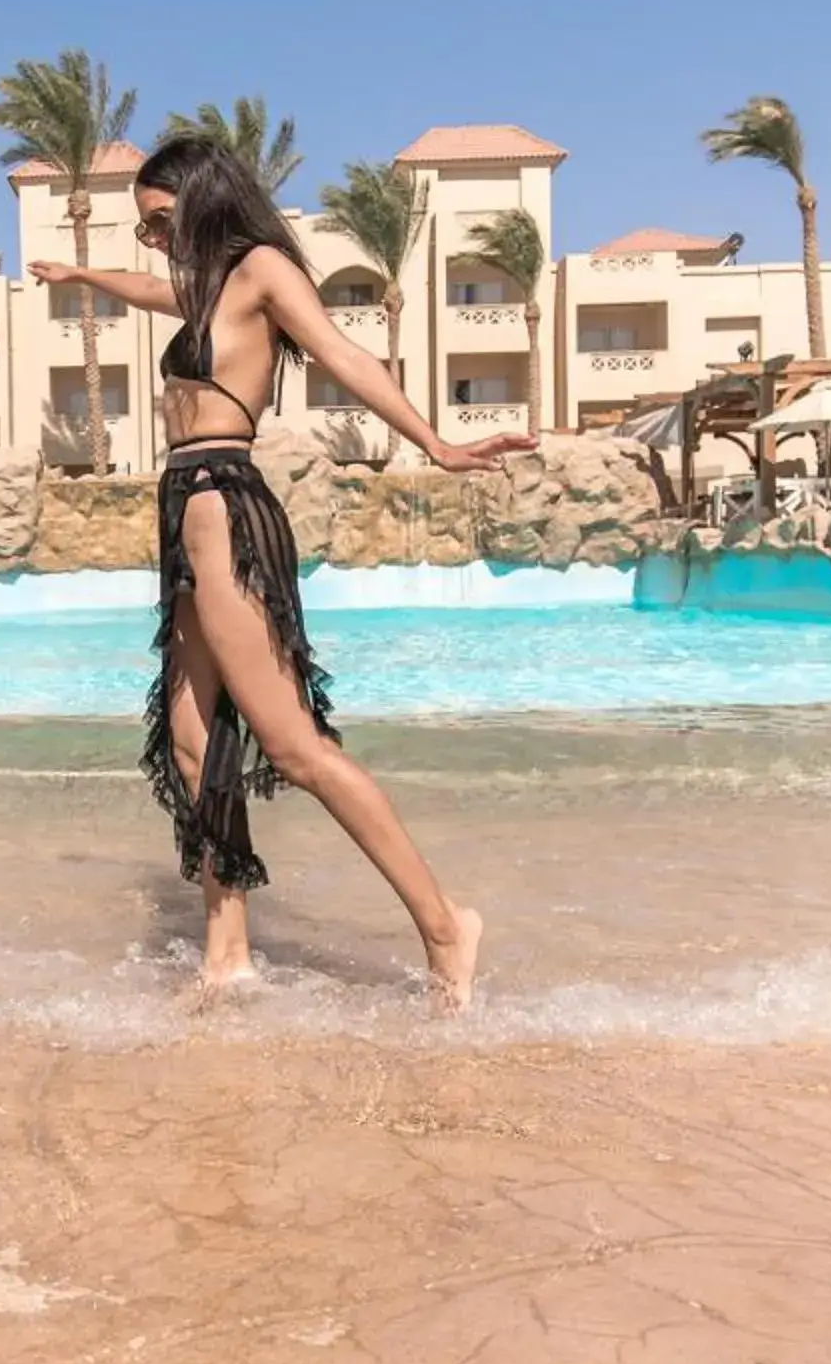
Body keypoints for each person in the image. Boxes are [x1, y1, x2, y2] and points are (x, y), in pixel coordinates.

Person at [29, 135, 528, 1010]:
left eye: (158, 221)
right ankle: (227, 951)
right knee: (190, 742)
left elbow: (343, 355)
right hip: (183, 503)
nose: (152, 242)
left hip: (225, 499)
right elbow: (150, 292)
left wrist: (436, 444)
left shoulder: (259, 269)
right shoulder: (200, 290)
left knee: (295, 747)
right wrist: (82, 282)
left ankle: (447, 922)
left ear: (201, 201)